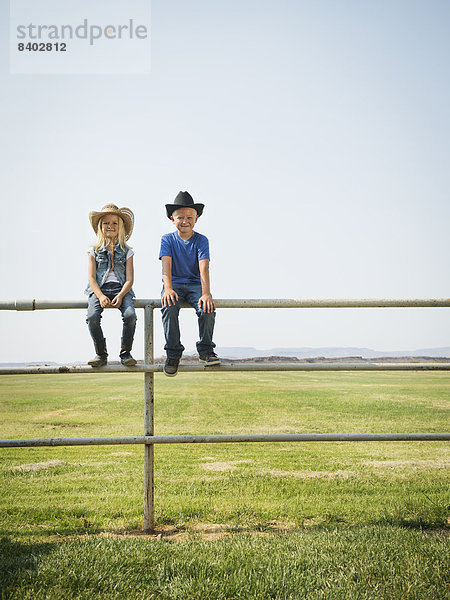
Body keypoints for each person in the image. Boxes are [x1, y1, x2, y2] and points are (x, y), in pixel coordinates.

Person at [159, 191, 220, 377]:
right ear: (172, 219)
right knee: (168, 306)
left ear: (196, 219)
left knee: (207, 308)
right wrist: (168, 288)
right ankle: (173, 353)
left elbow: (204, 267)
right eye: (180, 218)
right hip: (174, 283)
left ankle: (205, 350)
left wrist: (206, 293)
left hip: (195, 284)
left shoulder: (201, 240)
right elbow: (166, 266)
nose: (184, 221)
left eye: (189, 217)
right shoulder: (167, 239)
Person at [85, 204, 137, 367]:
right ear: (100, 227)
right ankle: (101, 354)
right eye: (106, 223)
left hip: (121, 289)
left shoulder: (127, 251)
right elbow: (91, 278)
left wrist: (121, 295)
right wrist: (100, 296)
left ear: (120, 227)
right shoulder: (93, 251)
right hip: (99, 290)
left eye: (115, 223)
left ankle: (125, 353)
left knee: (130, 316)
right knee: (92, 317)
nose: (110, 226)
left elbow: (129, 279)